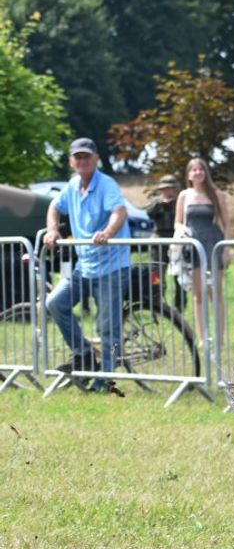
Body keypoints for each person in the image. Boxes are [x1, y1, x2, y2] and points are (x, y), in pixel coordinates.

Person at [43, 138, 130, 394]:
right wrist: (51, 230)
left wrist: (108, 231)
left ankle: (106, 378)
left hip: (112, 266)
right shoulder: (72, 186)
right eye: (77, 157)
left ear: (96, 159)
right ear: (71, 162)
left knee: (107, 327)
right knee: (54, 304)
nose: (82, 161)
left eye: (87, 157)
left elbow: (119, 210)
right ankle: (84, 355)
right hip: (85, 266)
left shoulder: (106, 184)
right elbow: (53, 206)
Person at [175, 157, 229, 347]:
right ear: (189, 174)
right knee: (198, 294)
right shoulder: (184, 195)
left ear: (205, 172)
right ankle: (202, 337)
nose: (197, 172)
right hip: (194, 248)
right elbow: (178, 221)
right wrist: (182, 235)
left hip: (214, 244)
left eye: (201, 169)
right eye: (194, 170)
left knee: (216, 293)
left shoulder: (216, 194)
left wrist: (226, 249)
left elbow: (226, 223)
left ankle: (220, 338)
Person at [145, 173, 185, 310]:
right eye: (164, 189)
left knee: (179, 275)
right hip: (158, 243)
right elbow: (147, 213)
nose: (167, 192)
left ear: (176, 189)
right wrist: (159, 203)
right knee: (156, 276)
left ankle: (180, 306)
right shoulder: (156, 202)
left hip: (176, 242)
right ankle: (157, 304)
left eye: (170, 188)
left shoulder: (182, 201)